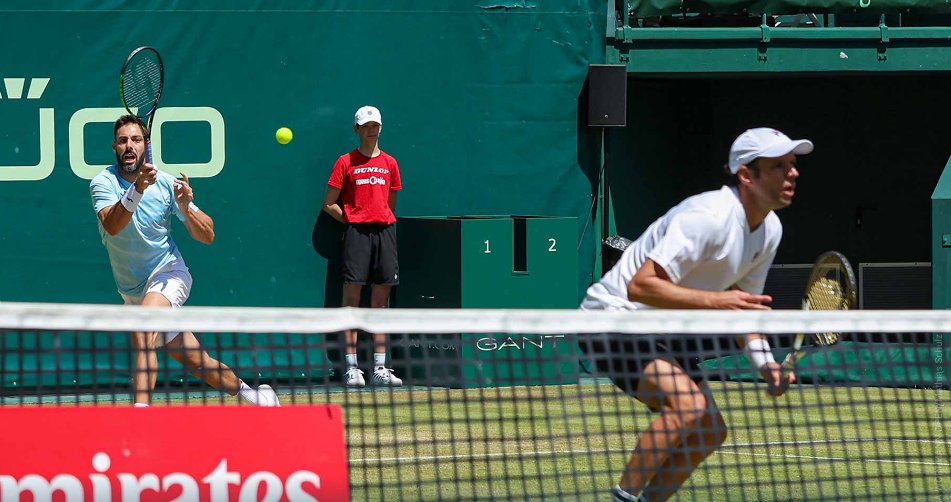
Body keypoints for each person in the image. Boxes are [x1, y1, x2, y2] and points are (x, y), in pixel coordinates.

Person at [580, 127, 812, 501]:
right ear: (746, 174)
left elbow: (744, 309)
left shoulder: (769, 230)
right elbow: (640, 286)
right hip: (612, 317)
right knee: (687, 406)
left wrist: (766, 364)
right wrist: (719, 301)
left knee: (709, 430)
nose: (793, 173)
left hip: (660, 326)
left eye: (793, 164)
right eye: (779, 166)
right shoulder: (708, 217)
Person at [90, 114, 280, 407]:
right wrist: (137, 189)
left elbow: (208, 235)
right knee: (198, 362)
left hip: (168, 273)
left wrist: (186, 208)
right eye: (124, 140)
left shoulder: (166, 184)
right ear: (114, 146)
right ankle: (257, 397)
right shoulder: (102, 182)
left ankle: (137, 421)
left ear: (146, 145)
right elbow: (113, 225)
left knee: (143, 331)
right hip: (131, 290)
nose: (130, 146)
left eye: (136, 140)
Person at [322, 105, 403, 388]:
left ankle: (380, 367)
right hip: (356, 236)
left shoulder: (390, 163)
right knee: (351, 303)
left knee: (381, 303)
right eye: (367, 125)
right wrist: (354, 219)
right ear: (357, 129)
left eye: (376, 125)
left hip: (385, 234)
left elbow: (389, 204)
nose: (372, 129)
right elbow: (329, 203)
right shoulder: (345, 162)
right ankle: (352, 367)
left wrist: (376, 216)